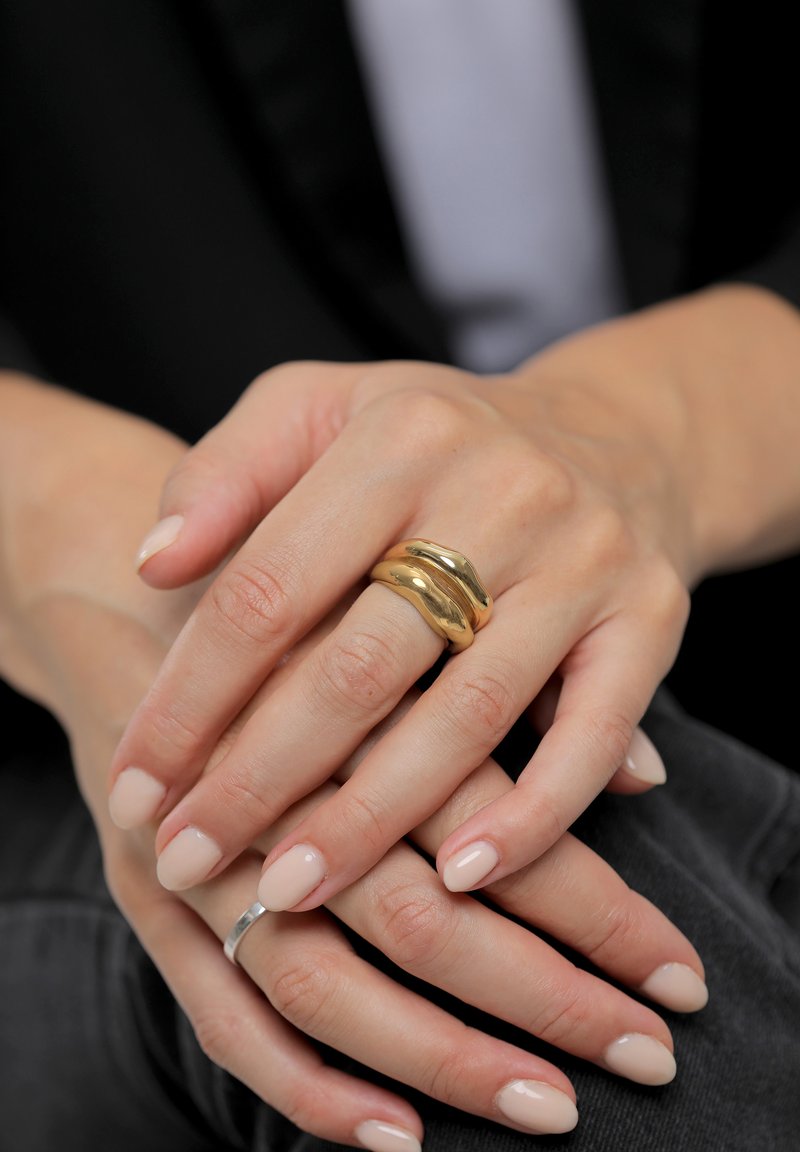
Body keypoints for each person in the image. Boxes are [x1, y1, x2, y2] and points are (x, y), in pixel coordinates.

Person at [1, 3, 799, 1151]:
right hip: (63, 694)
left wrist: (639, 430)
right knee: (561, 998)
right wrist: (72, 528)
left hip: (730, 575)